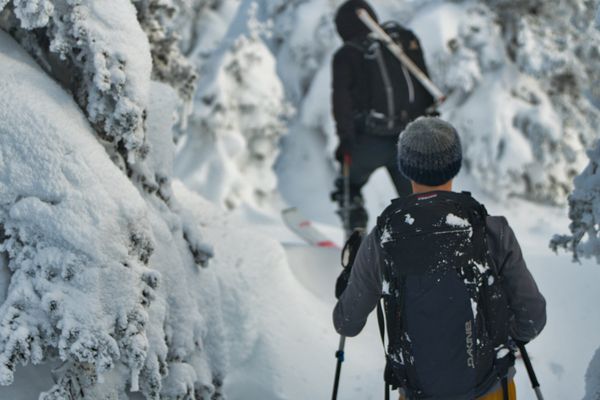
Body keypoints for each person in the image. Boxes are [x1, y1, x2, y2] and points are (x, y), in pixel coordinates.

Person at [333, 117, 546, 399]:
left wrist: (348, 282)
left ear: (405, 168)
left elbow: (347, 323)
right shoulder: (491, 230)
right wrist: (498, 341)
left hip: (416, 392)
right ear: (454, 164)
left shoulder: (382, 239)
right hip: (491, 388)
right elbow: (532, 317)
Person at [331, 0, 436, 232]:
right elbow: (424, 84)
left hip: (368, 142)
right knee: (416, 204)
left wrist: (345, 143)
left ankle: (355, 238)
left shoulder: (347, 54)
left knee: (349, 186)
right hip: (407, 143)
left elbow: (342, 104)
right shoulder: (398, 44)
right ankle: (425, 245)